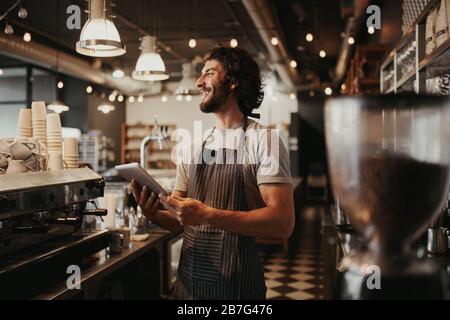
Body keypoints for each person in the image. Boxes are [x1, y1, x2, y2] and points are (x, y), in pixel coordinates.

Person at [131, 45, 295, 300]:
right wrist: (154, 213)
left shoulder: (264, 141)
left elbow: (283, 222)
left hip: (238, 289)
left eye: (208, 73)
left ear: (233, 82)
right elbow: (180, 220)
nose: (199, 82)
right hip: (188, 288)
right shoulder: (192, 149)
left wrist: (209, 215)